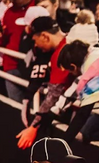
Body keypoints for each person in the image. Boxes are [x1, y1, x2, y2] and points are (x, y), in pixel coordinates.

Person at [16, 16, 73, 148]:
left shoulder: (62, 52)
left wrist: (34, 127)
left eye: (35, 40)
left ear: (44, 36)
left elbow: (54, 94)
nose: (35, 45)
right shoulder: (69, 42)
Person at [0, 0, 36, 102]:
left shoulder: (38, 7)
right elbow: (3, 42)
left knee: (35, 105)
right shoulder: (8, 12)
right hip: (11, 65)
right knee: (15, 106)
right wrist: (0, 36)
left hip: (32, 66)